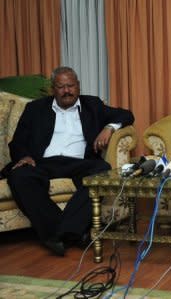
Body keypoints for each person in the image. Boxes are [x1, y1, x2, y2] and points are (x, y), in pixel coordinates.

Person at [5, 67, 134, 256]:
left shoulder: (93, 105)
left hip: (78, 163)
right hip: (43, 163)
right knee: (18, 176)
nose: (67, 91)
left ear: (78, 86)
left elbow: (126, 115)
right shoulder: (35, 108)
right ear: (53, 89)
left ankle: (58, 234)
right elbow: (17, 141)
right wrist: (24, 156)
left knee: (102, 170)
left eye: (71, 86)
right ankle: (71, 232)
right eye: (61, 87)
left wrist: (109, 127)